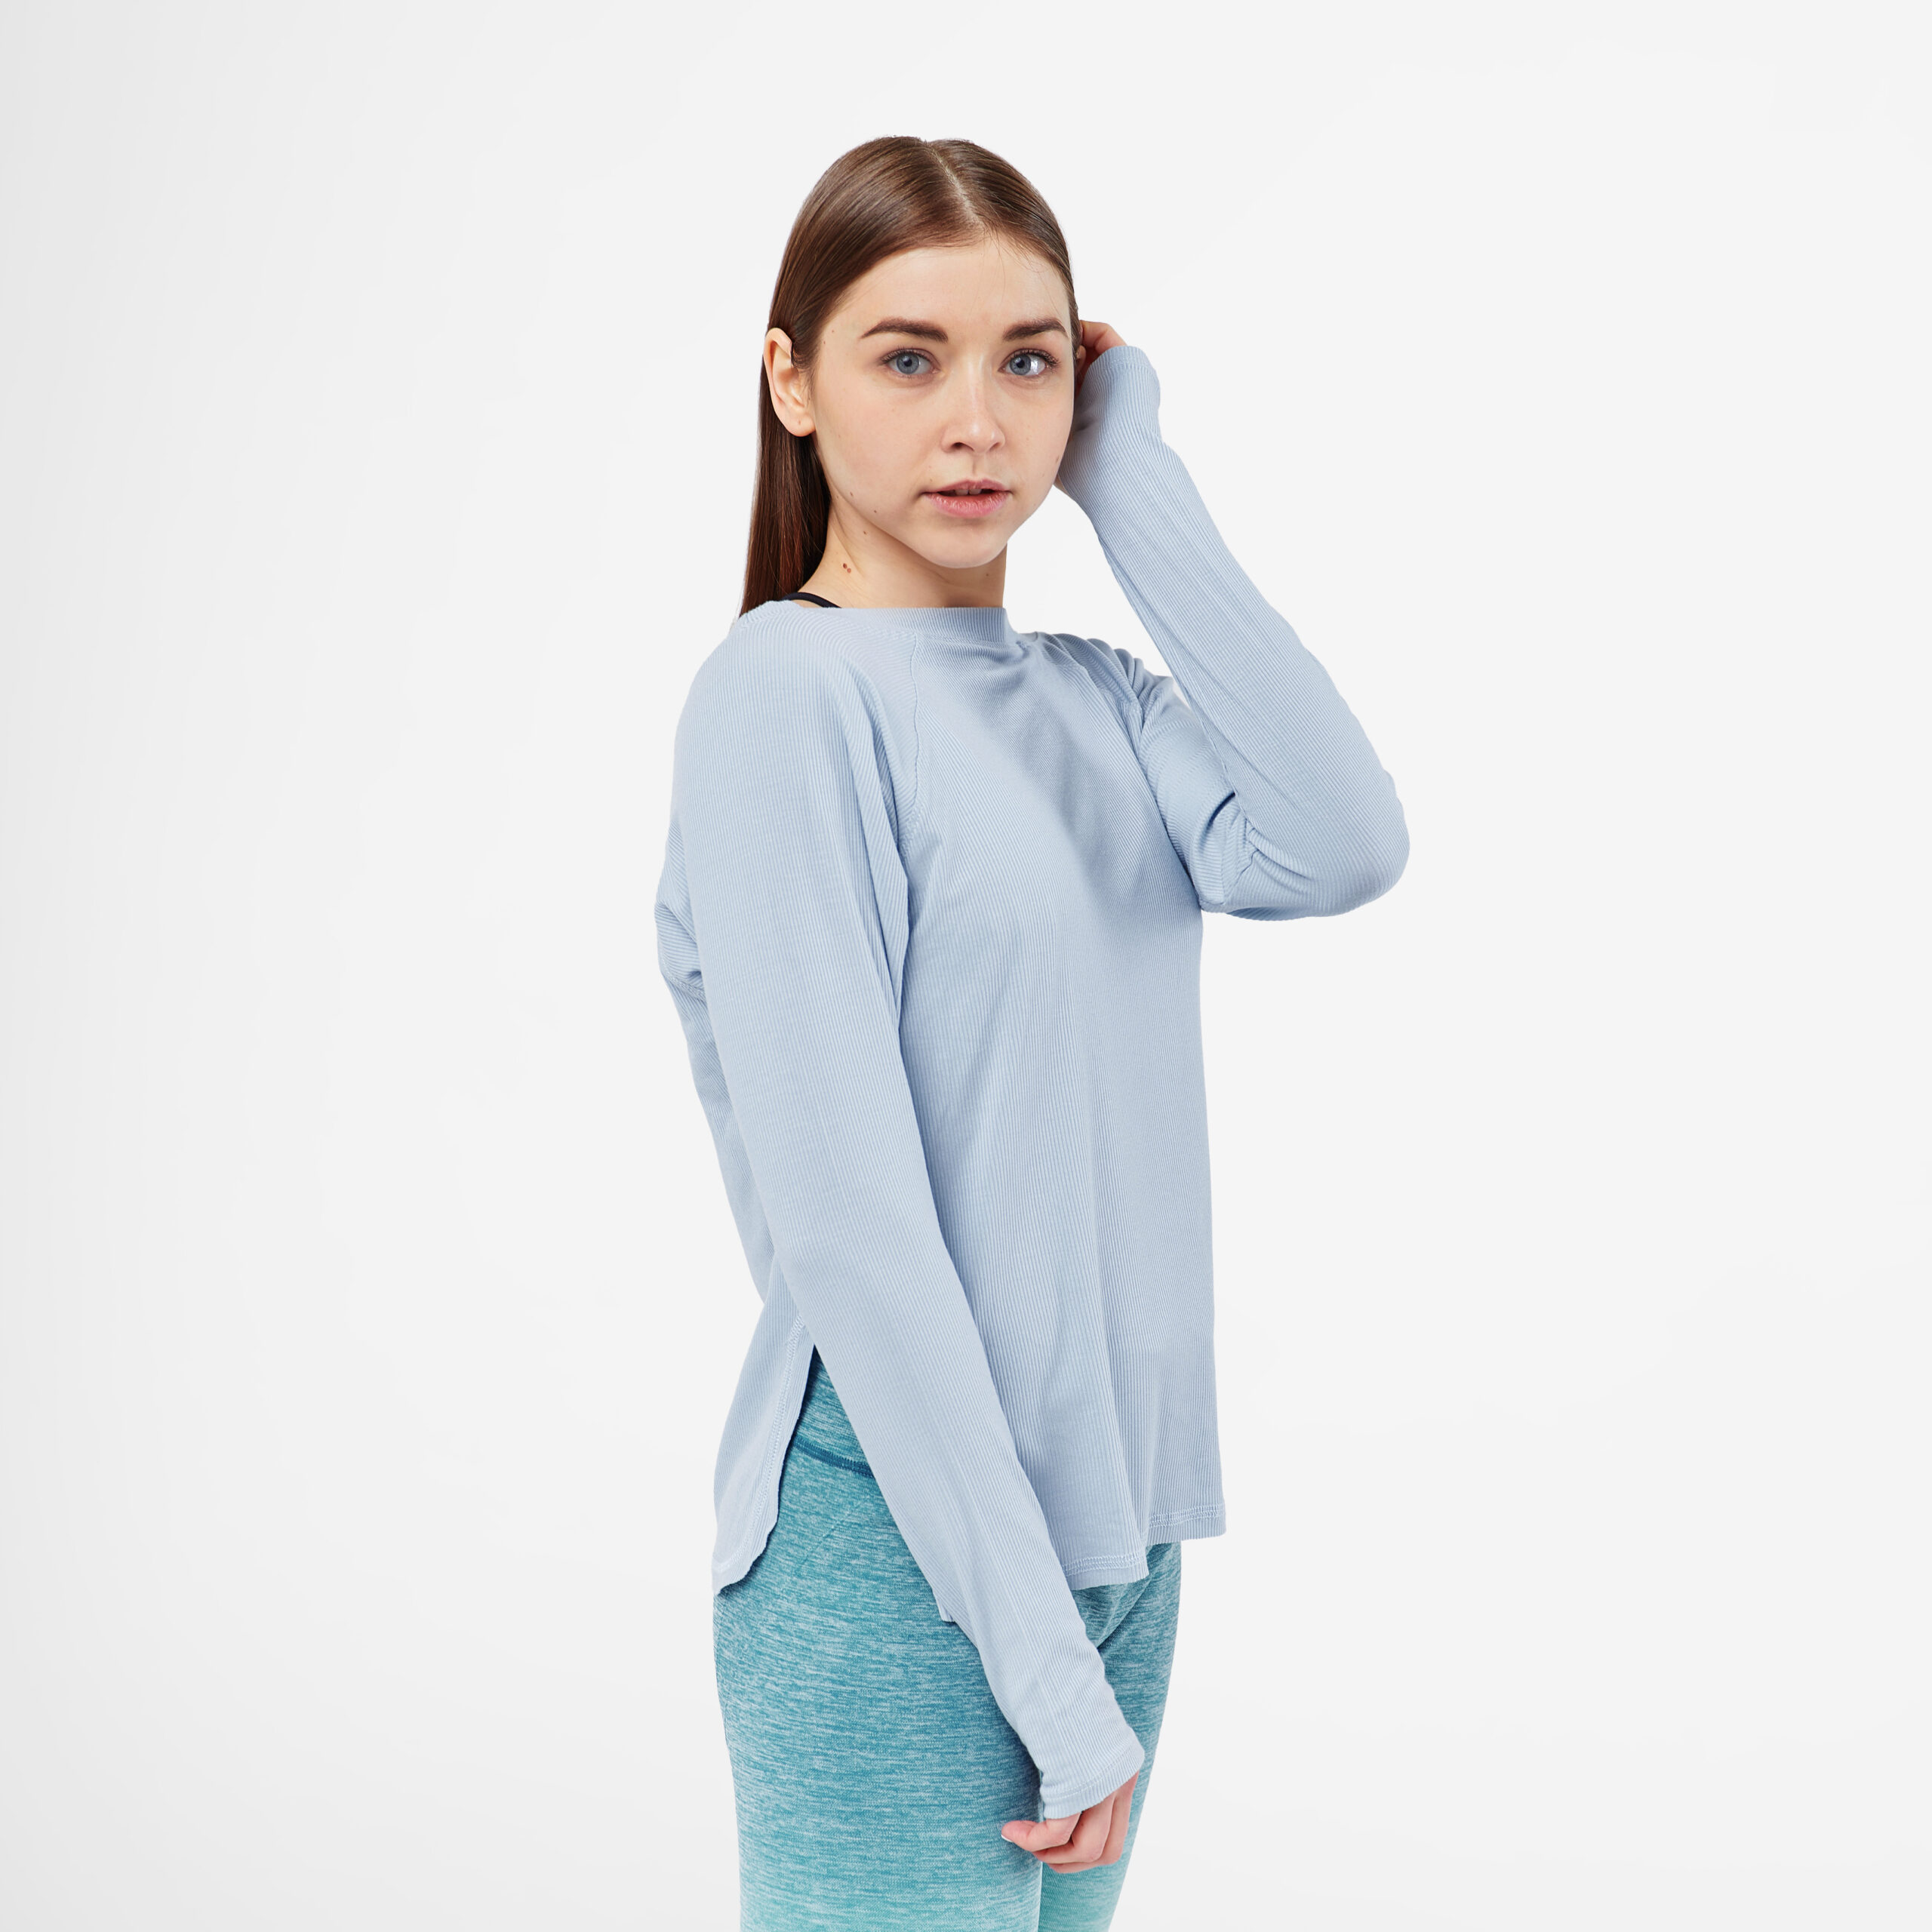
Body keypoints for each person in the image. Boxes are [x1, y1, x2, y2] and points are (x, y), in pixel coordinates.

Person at [654, 135, 1409, 1931]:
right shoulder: (781, 698)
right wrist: (1039, 1668)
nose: (977, 420)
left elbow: (1342, 839)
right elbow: (852, 1235)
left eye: (1028, 360)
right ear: (791, 381)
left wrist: (1131, 476)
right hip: (897, 1549)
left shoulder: (1098, 703)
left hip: (1119, 1538)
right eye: (907, 358)